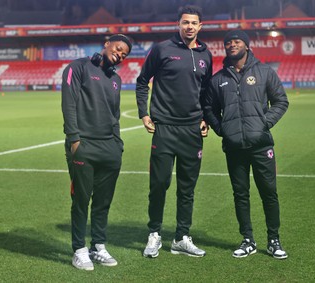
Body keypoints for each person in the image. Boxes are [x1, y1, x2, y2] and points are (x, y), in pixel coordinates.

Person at [203, 30, 289, 259]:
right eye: (228, 42)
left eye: (237, 41)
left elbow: (281, 101)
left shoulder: (264, 72)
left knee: (269, 193)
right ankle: (247, 239)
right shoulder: (218, 79)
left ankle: (274, 240)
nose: (232, 45)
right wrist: (222, 129)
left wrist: (264, 123)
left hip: (261, 145)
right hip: (233, 147)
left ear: (247, 46)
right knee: (240, 194)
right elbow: (209, 109)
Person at [135, 5, 212, 258]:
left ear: (200, 26)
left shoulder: (205, 54)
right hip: (165, 128)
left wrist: (205, 118)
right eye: (185, 22)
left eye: (194, 23)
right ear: (178, 24)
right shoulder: (162, 49)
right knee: (159, 184)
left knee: (187, 188)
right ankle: (154, 234)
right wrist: (144, 113)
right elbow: (141, 81)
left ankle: (181, 237)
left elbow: (206, 91)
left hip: (192, 131)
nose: (189, 26)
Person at [61, 34, 132, 270]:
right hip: (84, 146)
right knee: (81, 200)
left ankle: (98, 246)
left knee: (103, 202)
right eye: (119, 48)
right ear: (107, 43)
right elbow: (68, 103)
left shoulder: (116, 79)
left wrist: (117, 144)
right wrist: (74, 140)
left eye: (125, 54)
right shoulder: (78, 67)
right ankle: (79, 250)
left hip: (110, 148)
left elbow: (115, 115)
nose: (120, 54)